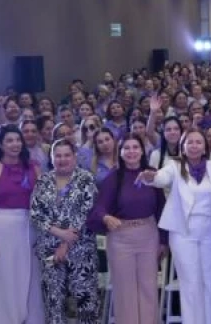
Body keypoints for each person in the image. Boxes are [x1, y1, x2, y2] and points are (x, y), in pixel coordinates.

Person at [140, 129, 211, 324]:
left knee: (210, 281)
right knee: (190, 282)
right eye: (190, 142)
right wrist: (150, 176)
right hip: (183, 231)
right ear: (183, 147)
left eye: (198, 142)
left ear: (205, 146)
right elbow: (160, 178)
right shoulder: (174, 165)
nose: (194, 146)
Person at [89, 134, 166, 324]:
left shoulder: (152, 175)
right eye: (127, 148)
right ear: (120, 153)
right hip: (121, 238)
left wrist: (164, 240)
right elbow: (99, 208)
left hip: (148, 235)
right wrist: (106, 217)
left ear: (142, 151)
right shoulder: (113, 178)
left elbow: (162, 209)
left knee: (148, 287)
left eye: (135, 147)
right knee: (125, 290)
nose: (131, 152)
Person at [0, 124, 46, 324]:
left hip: (30, 225)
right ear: (0, 144)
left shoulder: (34, 167)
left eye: (18, 140)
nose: (15, 144)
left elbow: (44, 202)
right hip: (2, 227)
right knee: (4, 277)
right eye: (9, 140)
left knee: (32, 276)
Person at [30, 139, 100, 324]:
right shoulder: (43, 180)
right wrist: (59, 234)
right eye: (58, 155)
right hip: (49, 252)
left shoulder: (86, 179)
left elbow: (86, 212)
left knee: (86, 302)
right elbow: (36, 213)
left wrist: (65, 243)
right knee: (53, 303)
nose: (62, 159)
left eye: (67, 155)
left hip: (81, 249)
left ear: (75, 157)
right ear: (51, 158)